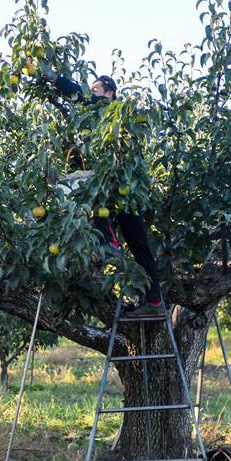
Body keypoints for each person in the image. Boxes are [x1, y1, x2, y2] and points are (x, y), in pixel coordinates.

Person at [43, 70, 165, 315]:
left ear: (109, 92)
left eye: (96, 89)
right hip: (125, 189)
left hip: (121, 186)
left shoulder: (112, 109)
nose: (92, 93)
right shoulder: (102, 124)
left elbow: (81, 97)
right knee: (139, 245)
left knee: (99, 201)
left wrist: (57, 80)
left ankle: (110, 243)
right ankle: (154, 302)